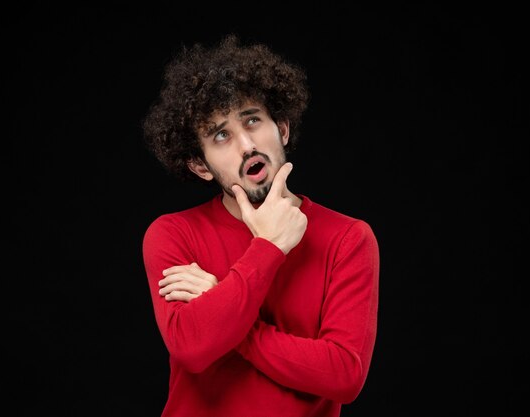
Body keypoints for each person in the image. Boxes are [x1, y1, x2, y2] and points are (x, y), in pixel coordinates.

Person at [141, 34, 380, 417]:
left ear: (282, 129)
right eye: (221, 135)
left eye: (253, 120)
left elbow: (344, 375)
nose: (246, 144)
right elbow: (192, 348)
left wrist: (222, 305)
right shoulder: (172, 234)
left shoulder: (348, 238)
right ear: (201, 165)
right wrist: (269, 246)